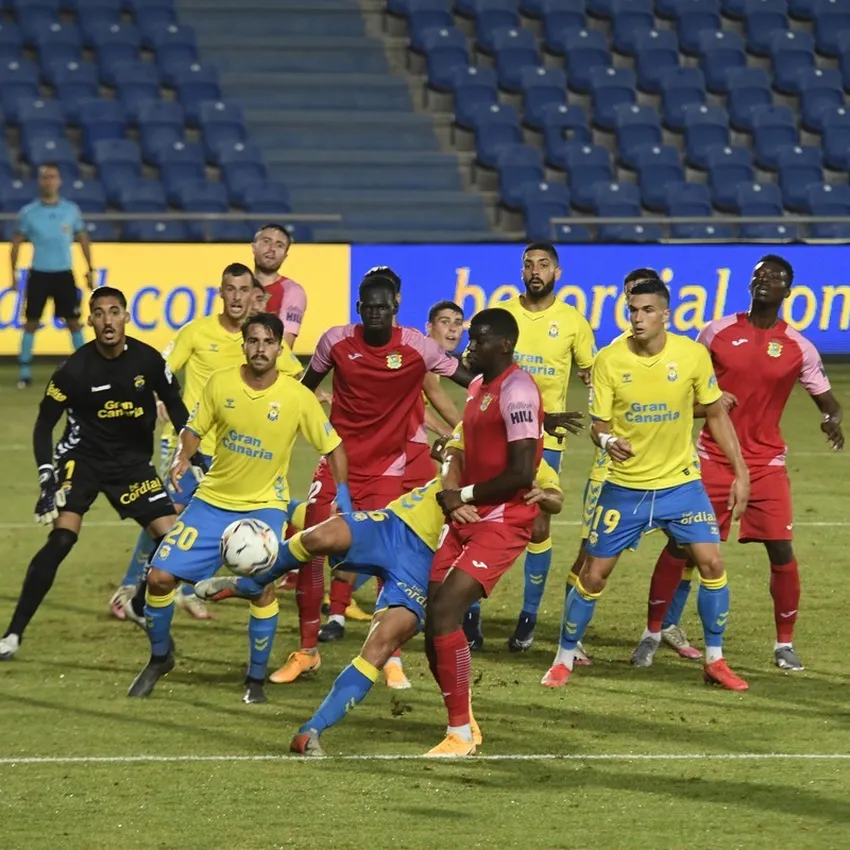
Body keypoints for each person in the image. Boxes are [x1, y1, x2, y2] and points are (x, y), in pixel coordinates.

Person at [193, 433, 563, 756]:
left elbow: (552, 501)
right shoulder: (475, 428)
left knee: (381, 642)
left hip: (428, 566)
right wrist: (446, 459)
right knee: (322, 535)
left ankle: (312, 731)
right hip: (396, 524)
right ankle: (253, 584)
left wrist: (543, 498)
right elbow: (446, 450)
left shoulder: (531, 465)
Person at [126, 313, 348, 704]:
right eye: (254, 341)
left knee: (261, 589)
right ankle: (160, 658)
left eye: (268, 342)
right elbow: (194, 429)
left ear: (280, 348)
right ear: (243, 345)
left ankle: (255, 680)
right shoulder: (221, 383)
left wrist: (342, 492)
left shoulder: (297, 397)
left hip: (264, 509)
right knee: (159, 578)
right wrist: (182, 456)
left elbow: (333, 446)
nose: (260, 349)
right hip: (211, 501)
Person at [541, 280, 751, 692]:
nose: (638, 318)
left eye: (647, 310)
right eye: (633, 310)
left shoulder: (691, 355)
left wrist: (740, 472)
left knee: (712, 564)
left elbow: (714, 413)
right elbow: (599, 425)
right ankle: (563, 658)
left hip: (681, 485)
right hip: (626, 487)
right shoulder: (609, 359)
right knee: (594, 575)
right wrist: (607, 441)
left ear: (665, 314)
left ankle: (715, 660)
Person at [642, 255, 844, 672]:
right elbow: (681, 386)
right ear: (750, 284)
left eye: (776, 277)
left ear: (788, 291)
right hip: (712, 458)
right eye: (759, 275)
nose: (766, 280)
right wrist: (704, 403)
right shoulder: (716, 333)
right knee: (681, 545)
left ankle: (784, 644)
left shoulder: (799, 347)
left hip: (766, 463)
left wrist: (831, 419)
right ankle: (654, 631)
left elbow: (828, 400)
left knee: (781, 550)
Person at [275, 273, 473, 688]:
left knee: (388, 559)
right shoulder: (335, 342)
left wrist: (521, 397)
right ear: (359, 309)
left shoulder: (417, 347)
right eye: (370, 307)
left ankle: (391, 657)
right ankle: (307, 651)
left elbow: (468, 377)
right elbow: (303, 391)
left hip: (386, 470)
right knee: (310, 549)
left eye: (384, 306)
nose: (377, 313)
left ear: (396, 307)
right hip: (336, 463)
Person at [0, 287, 190, 660]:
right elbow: (44, 425)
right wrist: (46, 477)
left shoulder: (148, 361)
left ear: (126, 317)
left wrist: (190, 451)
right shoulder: (73, 370)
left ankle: (137, 604)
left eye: (114, 311)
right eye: (99, 313)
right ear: (89, 320)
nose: (107, 320)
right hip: (82, 460)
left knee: (173, 542)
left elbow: (175, 404)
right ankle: (12, 635)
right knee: (62, 539)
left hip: (131, 465)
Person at [109, 264, 303, 622]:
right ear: (221, 292)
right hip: (189, 445)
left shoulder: (257, 340)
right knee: (166, 516)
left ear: (254, 295)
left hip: (234, 453)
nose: (236, 297)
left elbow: (294, 375)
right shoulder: (196, 332)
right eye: (230, 289)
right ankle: (130, 587)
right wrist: (158, 397)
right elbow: (159, 369)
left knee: (213, 524)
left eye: (243, 289)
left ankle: (184, 591)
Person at [426, 307, 544, 756]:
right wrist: (454, 492)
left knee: (445, 612)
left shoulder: (518, 390)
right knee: (433, 620)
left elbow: (521, 473)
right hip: (466, 517)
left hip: (503, 520)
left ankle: (458, 733)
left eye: (478, 339)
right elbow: (468, 442)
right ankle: (463, 720)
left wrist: (462, 494)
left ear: (505, 345)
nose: (469, 345)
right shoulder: (478, 386)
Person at [466, 243, 593, 653]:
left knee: (538, 525)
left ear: (557, 271)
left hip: (545, 441)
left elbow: (593, 375)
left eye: (543, 264)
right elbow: (474, 370)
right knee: (476, 516)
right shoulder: (502, 315)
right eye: (528, 264)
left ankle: (528, 617)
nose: (535, 270)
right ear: (521, 271)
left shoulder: (572, 321)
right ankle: (469, 615)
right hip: (491, 434)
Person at [319, 297, 466, 642]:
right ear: (428, 327)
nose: (451, 330)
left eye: (457, 323)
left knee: (406, 533)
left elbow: (418, 406)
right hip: (398, 454)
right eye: (444, 322)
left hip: (411, 452)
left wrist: (452, 432)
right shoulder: (417, 353)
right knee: (384, 531)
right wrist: (465, 430)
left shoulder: (424, 357)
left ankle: (387, 606)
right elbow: (431, 395)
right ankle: (342, 610)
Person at [12, 163, 95, 389]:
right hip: (39, 274)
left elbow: (83, 239)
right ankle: (25, 373)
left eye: (52, 177)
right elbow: (16, 244)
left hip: (63, 274)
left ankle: (86, 370)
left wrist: (90, 269)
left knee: (74, 322)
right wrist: (13, 273)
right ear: (39, 181)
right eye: (45, 177)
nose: (49, 181)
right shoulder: (29, 213)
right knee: (31, 322)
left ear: (59, 181)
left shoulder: (71, 210)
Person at [251, 223, 306, 351]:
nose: (272, 249)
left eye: (279, 245)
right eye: (266, 241)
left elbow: (284, 347)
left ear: (285, 256)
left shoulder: (292, 291)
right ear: (254, 247)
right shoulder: (240, 287)